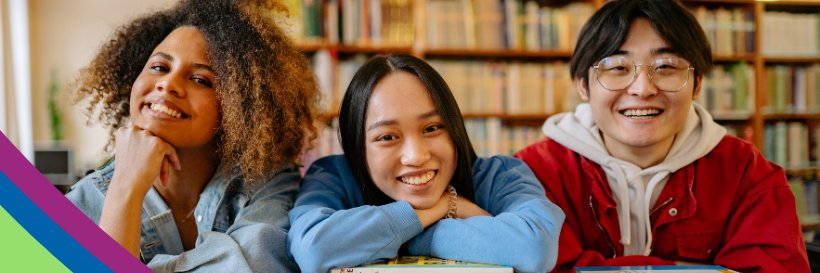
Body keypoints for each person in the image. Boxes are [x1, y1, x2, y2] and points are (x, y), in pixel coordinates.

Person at [515, 0, 810, 272]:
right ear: (583, 86)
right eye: (618, 67)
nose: (642, 89)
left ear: (697, 85)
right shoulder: (532, 173)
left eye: (666, 67)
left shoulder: (747, 172)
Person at [65, 0, 319, 272]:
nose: (168, 84)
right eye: (160, 67)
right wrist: (125, 188)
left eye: (200, 80)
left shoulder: (267, 182)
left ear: (240, 106)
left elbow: (255, 264)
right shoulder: (84, 202)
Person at [287, 54, 565, 273]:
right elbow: (314, 249)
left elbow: (534, 248)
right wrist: (444, 207)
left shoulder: (501, 175)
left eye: (432, 128)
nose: (416, 156)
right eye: (387, 137)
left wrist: (408, 236)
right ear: (357, 146)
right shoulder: (332, 176)